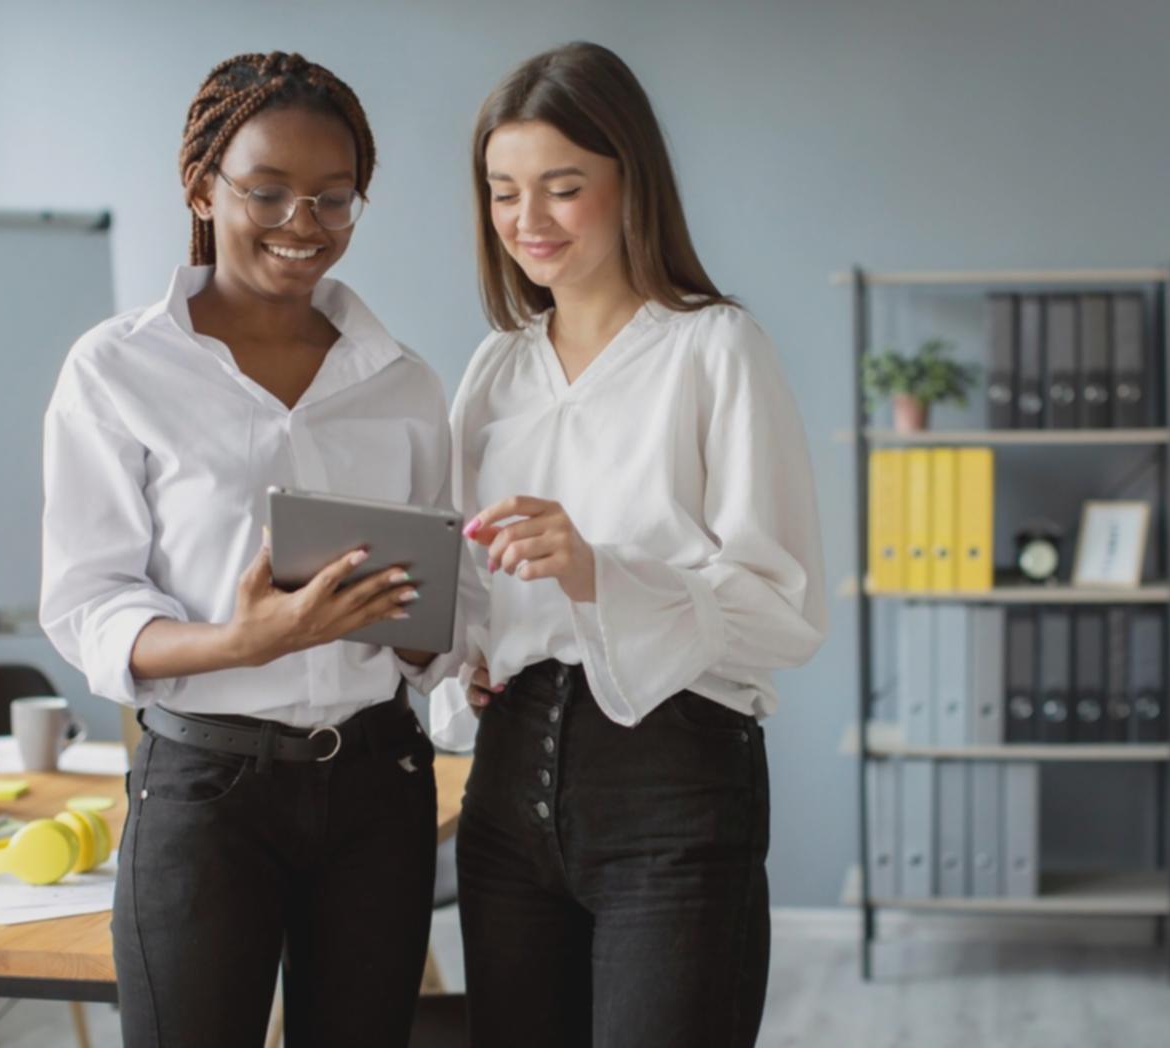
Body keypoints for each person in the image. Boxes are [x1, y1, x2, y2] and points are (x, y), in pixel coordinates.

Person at [40, 51, 468, 1047]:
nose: (302, 225)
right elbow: (86, 600)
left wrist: (419, 632)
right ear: (201, 186)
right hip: (205, 791)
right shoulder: (117, 369)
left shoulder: (401, 380)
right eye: (267, 192)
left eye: (332, 198)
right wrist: (241, 641)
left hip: (377, 785)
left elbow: (447, 605)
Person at [432, 40, 827, 1048]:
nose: (528, 221)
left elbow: (783, 614)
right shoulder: (494, 371)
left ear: (630, 182)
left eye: (562, 189)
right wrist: (464, 664)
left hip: (675, 791)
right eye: (503, 191)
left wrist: (600, 571)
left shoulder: (713, 348)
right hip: (507, 790)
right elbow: (468, 590)